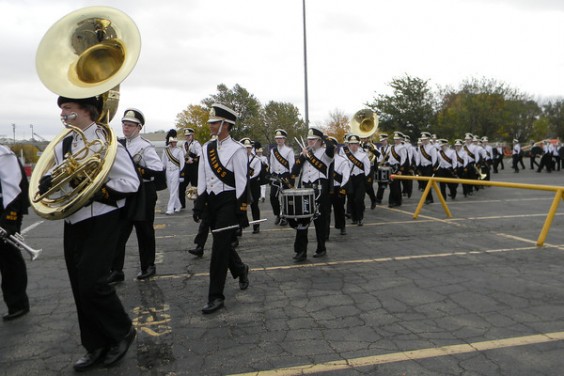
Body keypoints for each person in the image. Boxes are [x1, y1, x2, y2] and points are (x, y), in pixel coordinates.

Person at [39, 96, 139, 371]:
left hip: (102, 220)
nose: (63, 113)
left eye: (68, 108)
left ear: (87, 111)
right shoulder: (64, 143)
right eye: (62, 108)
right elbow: (64, 183)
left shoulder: (107, 142)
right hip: (74, 221)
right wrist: (49, 183)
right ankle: (95, 345)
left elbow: (130, 182)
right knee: (78, 287)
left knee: (93, 284)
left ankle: (122, 331)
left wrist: (94, 186)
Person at [193, 103, 250, 314]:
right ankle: (240, 268)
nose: (210, 126)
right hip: (211, 201)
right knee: (223, 244)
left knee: (218, 250)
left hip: (228, 201)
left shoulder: (237, 150)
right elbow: (202, 176)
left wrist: (241, 210)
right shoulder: (206, 147)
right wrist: (199, 203)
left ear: (226, 124)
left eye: (214, 122)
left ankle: (216, 296)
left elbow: (242, 182)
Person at [107, 108, 165, 284]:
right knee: (119, 233)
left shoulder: (145, 146)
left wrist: (135, 169)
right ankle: (116, 270)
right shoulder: (118, 144)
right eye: (124, 124)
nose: (126, 128)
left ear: (139, 127)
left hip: (143, 194)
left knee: (144, 231)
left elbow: (157, 170)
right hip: (125, 192)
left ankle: (148, 266)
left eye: (130, 125)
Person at [290, 127, 334, 261]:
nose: (310, 142)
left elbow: (331, 149)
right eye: (309, 140)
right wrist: (302, 156)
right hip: (305, 189)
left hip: (320, 190)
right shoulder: (304, 153)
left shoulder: (325, 154)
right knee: (302, 221)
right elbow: (295, 171)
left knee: (319, 221)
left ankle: (321, 248)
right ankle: (300, 251)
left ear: (320, 141)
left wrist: (325, 137)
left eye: (313, 140)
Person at [0, 145, 30, 321]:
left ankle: (17, 303)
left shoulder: (3, 154)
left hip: (5, 213)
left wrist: (9, 220)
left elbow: (13, 188)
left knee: (8, 258)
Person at [269, 129, 295, 226]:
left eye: (281, 138)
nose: (279, 140)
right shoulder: (273, 151)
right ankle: (278, 215)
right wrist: (270, 175)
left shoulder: (289, 151)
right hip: (276, 175)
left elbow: (292, 165)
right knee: (273, 196)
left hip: (285, 176)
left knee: (286, 198)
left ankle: (286, 216)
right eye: (277, 138)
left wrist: (291, 177)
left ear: (284, 139)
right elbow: (271, 164)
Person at [343, 134, 370, 226]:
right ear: (349, 145)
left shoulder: (363, 155)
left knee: (359, 199)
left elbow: (367, 168)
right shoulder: (345, 155)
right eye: (352, 144)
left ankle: (360, 218)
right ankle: (354, 218)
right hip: (350, 179)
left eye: (355, 144)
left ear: (358, 145)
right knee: (351, 198)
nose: (354, 146)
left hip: (360, 179)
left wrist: (366, 180)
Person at [326, 137, 350, 236]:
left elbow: (346, 177)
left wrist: (342, 190)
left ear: (335, 147)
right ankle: (325, 232)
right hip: (326, 188)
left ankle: (342, 226)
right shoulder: (323, 160)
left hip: (337, 188)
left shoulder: (342, 160)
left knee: (339, 209)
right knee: (325, 211)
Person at [241, 138, 262, 234]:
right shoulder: (239, 160)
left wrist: (247, 177)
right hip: (242, 185)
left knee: (254, 206)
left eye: (249, 148)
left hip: (253, 185)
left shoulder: (256, 159)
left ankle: (256, 226)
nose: (247, 150)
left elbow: (256, 173)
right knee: (242, 206)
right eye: (245, 148)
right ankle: (240, 227)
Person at [161, 132, 185, 215]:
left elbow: (182, 163)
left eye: (175, 142)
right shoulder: (166, 150)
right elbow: (163, 162)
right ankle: (178, 205)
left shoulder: (179, 150)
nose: (174, 143)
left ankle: (170, 209)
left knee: (174, 190)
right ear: (170, 142)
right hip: (168, 171)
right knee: (171, 190)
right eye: (172, 142)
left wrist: (182, 174)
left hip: (176, 171)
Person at [179, 128, 202, 210]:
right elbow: (183, 155)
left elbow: (200, 156)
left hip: (194, 167)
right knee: (181, 185)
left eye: (189, 135)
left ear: (192, 135)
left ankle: (196, 205)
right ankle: (181, 204)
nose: (187, 137)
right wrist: (186, 161)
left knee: (194, 187)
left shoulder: (196, 144)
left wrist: (192, 160)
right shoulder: (183, 144)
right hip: (186, 167)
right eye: (186, 136)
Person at [386, 132, 409, 208]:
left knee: (396, 185)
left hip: (397, 167)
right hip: (391, 167)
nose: (396, 140)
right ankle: (395, 201)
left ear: (401, 139)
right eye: (395, 139)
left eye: (397, 139)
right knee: (392, 185)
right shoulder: (391, 147)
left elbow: (403, 160)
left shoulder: (402, 148)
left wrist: (400, 170)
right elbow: (389, 157)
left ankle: (395, 201)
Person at [417, 132, 437, 204]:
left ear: (428, 139)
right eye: (423, 140)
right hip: (422, 167)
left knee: (427, 183)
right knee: (423, 184)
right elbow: (419, 157)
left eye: (425, 139)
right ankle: (427, 198)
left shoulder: (432, 147)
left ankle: (429, 198)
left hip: (429, 167)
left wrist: (434, 168)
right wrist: (418, 166)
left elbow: (434, 158)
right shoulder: (420, 148)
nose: (424, 141)